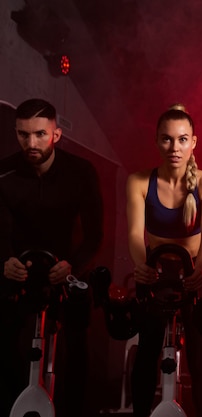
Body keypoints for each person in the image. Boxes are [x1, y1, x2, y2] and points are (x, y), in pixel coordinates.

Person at [0, 98, 104, 417]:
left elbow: (95, 234)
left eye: (40, 134)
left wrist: (74, 264)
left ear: (56, 134)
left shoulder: (82, 172)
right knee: (5, 346)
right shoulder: (4, 172)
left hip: (67, 271)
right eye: (23, 134)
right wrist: (4, 260)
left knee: (76, 348)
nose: (31, 143)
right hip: (18, 272)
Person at [126, 104, 202, 417]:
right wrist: (143, 267)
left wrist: (200, 270)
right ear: (156, 141)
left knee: (198, 358)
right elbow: (135, 233)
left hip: (198, 268)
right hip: (156, 270)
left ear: (193, 142)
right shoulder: (139, 182)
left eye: (182, 139)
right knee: (147, 352)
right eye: (167, 139)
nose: (174, 147)